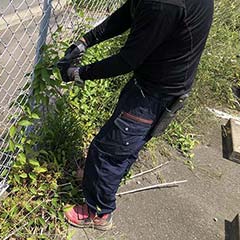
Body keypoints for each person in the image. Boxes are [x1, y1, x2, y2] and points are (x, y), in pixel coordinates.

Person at [58, 0, 214, 231]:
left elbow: (126, 61)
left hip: (155, 93)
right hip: (156, 83)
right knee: (123, 145)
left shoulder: (163, 4)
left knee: (108, 152)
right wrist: (85, 41)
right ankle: (97, 180)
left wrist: (78, 73)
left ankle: (99, 212)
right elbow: (128, 12)